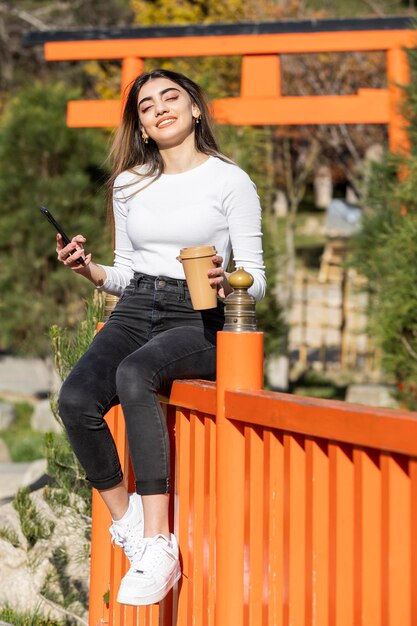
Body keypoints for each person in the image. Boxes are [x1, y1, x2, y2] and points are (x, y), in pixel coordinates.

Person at [55, 69, 266, 606]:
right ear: (143, 127)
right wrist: (87, 269)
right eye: (146, 106)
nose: (159, 108)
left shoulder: (230, 180)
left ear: (195, 109)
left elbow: (258, 277)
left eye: (171, 97)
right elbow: (125, 270)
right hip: (134, 307)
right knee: (76, 398)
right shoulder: (129, 183)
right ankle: (127, 524)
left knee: (136, 373)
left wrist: (226, 280)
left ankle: (159, 541)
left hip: (196, 314)